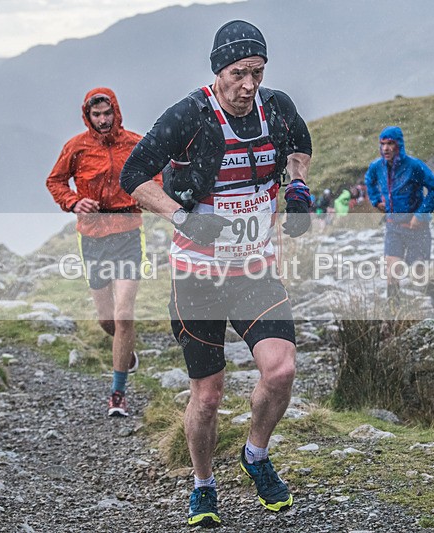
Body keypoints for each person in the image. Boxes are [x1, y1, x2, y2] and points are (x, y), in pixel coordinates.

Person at [119, 20, 312, 528]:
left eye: (257, 72)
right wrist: (184, 218)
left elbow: (300, 143)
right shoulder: (191, 114)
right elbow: (133, 176)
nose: (248, 84)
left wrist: (296, 187)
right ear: (218, 71)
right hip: (196, 277)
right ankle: (203, 485)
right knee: (207, 396)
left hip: (255, 272)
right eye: (238, 73)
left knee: (282, 370)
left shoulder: (278, 107)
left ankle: (255, 454)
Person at [46, 87, 147, 418]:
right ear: (87, 116)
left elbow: (156, 176)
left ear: (116, 111)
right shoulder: (76, 148)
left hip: (128, 233)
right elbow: (55, 182)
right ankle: (126, 353)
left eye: (107, 113)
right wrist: (75, 202)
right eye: (96, 115)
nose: (103, 120)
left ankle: (117, 393)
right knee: (107, 320)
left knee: (124, 314)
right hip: (93, 237)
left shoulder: (134, 143)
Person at [365, 126, 434, 306]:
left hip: (417, 229)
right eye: (382, 144)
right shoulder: (377, 167)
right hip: (393, 227)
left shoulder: (414, 166)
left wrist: (421, 215)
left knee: (419, 274)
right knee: (391, 271)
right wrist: (376, 201)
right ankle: (394, 315)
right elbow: (369, 180)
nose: (385, 148)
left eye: (390, 144)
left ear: (398, 145)